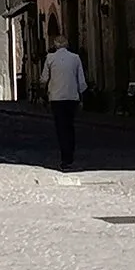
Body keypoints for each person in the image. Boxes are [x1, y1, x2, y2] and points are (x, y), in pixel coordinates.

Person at [42, 29, 87, 169]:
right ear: (67, 44)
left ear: (55, 45)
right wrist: (82, 97)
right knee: (70, 126)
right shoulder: (75, 58)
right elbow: (81, 80)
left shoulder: (50, 58)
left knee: (61, 127)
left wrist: (44, 90)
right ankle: (70, 154)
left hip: (56, 98)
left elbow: (44, 78)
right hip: (72, 97)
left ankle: (65, 157)